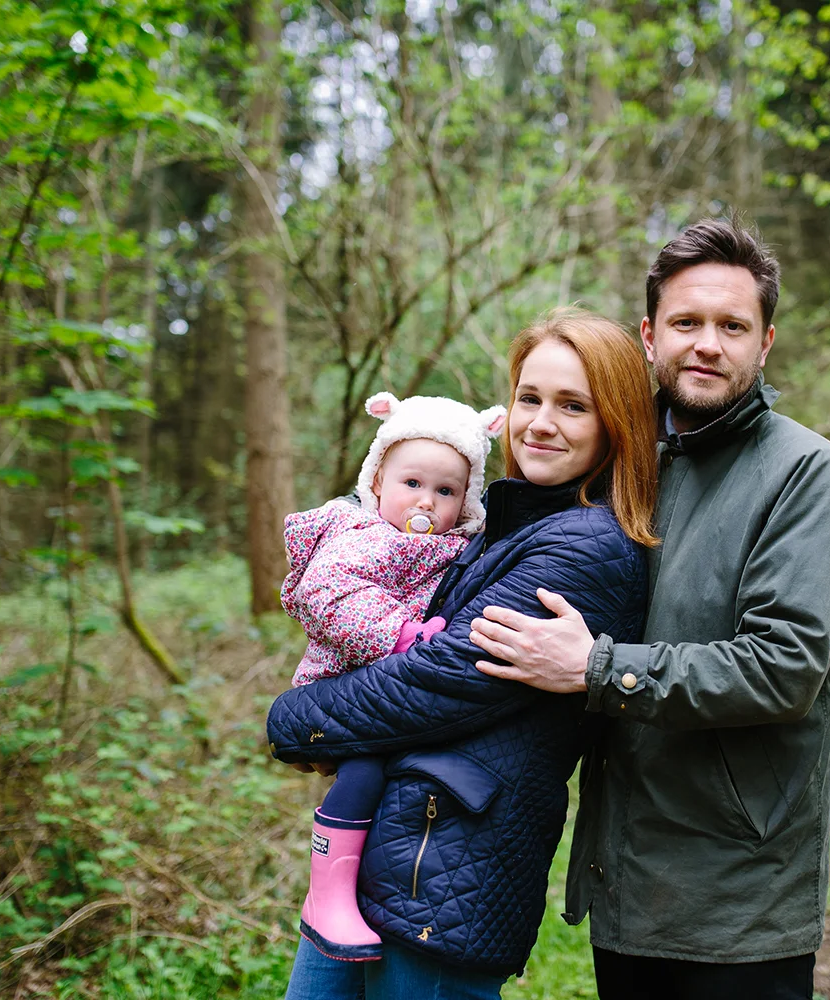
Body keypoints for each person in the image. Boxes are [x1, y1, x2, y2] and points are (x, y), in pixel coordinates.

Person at [470, 219, 830, 1000]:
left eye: (733, 326)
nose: (707, 345)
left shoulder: (807, 476)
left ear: (766, 342)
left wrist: (597, 668)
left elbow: (784, 668)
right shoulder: (620, 459)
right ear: (650, 336)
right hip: (625, 876)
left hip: (739, 893)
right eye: (686, 323)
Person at [267, 308, 659, 999]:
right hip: (387, 853)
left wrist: (291, 720)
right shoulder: (494, 526)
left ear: (616, 423)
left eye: (573, 406)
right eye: (529, 398)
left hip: (448, 876)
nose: (541, 423)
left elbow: (439, 680)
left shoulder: (587, 547)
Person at [279, 391, 507, 961]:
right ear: (377, 480)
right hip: (341, 680)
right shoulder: (363, 534)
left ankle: (351, 892)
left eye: (446, 491)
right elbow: (327, 594)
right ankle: (326, 896)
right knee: (363, 772)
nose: (425, 500)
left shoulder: (450, 545)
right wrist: (401, 635)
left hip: (391, 689)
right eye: (412, 483)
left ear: (467, 500)